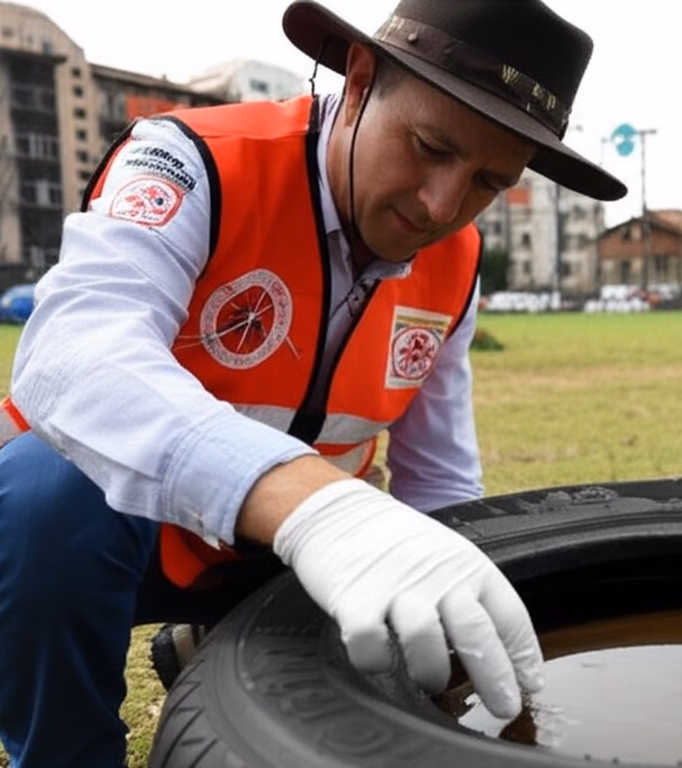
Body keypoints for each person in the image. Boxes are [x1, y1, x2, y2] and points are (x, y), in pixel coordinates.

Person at [0, 0, 625, 765]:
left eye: (488, 183)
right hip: (119, 537)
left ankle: (228, 638)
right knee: (46, 490)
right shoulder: (195, 161)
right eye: (429, 147)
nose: (441, 205)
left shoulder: (456, 261)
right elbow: (74, 353)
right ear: (358, 81)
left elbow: (439, 479)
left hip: (290, 562)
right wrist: (314, 506)